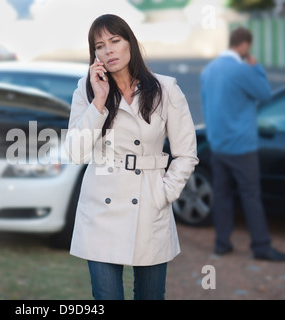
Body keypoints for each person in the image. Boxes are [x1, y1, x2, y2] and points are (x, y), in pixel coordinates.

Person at [63, 14, 199, 300]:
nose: (108, 50)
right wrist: (99, 101)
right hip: (101, 208)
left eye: (115, 41)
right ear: (95, 54)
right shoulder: (86, 90)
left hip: (150, 203)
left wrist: (164, 194)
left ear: (130, 43)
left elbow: (186, 154)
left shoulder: (165, 89)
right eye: (100, 45)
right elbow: (75, 152)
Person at [200, 27, 285, 261]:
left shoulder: (209, 70)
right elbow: (265, 95)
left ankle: (222, 243)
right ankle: (261, 247)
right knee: (250, 196)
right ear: (245, 45)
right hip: (242, 147)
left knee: (223, 195)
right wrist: (255, 66)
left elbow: (207, 107)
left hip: (218, 145)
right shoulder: (241, 70)